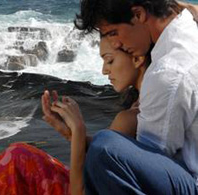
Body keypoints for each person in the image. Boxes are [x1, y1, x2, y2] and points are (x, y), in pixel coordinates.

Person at [0, 37, 150, 195]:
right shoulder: (139, 110)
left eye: (109, 61)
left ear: (137, 58)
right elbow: (102, 152)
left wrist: (78, 128)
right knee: (19, 157)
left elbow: (80, 191)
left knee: (16, 159)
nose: (104, 70)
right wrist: (67, 131)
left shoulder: (130, 119)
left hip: (82, 188)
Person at [74, 0, 198, 194]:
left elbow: (145, 159)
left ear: (139, 14)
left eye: (113, 32)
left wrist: (81, 137)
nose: (115, 44)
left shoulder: (167, 72)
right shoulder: (189, 24)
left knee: (106, 150)